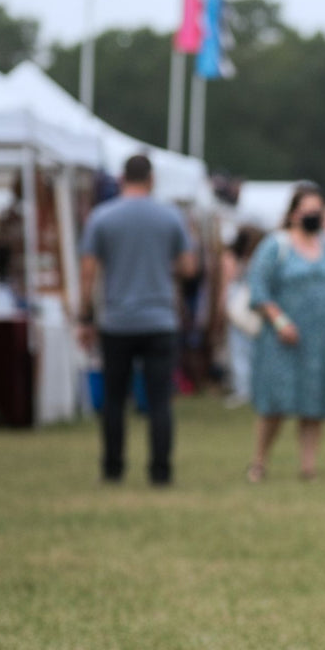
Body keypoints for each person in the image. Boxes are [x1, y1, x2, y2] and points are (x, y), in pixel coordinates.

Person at [78, 154, 196, 485]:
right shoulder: (170, 216)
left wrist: (85, 316)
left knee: (115, 399)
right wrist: (161, 267)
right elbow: (188, 267)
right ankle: (160, 471)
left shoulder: (101, 217)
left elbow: (88, 272)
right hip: (160, 320)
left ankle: (112, 468)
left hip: (116, 320)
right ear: (151, 179)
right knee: (159, 400)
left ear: (121, 178)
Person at [246, 183, 325, 483]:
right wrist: (279, 321)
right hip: (283, 337)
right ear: (293, 213)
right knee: (276, 402)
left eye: (317, 210)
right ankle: (259, 462)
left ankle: (308, 467)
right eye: (307, 210)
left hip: (322, 339)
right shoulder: (276, 245)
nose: (313, 216)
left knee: (314, 402)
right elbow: (258, 290)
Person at [220, 224, 262, 409]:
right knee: (251, 349)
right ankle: (251, 388)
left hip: (238, 304)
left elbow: (227, 282)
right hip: (251, 304)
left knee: (239, 350)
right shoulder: (258, 256)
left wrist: (221, 306)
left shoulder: (233, 258)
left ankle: (244, 389)